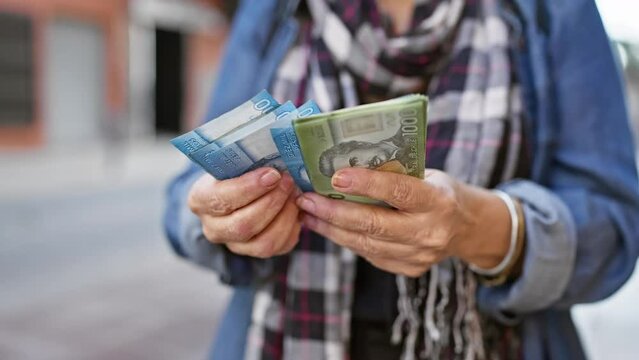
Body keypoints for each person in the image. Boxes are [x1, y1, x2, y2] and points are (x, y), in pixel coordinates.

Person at [164, 0, 639, 359]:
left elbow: (614, 233)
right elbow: (185, 197)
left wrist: (476, 226)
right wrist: (221, 213)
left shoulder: (553, 10)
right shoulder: (273, 10)